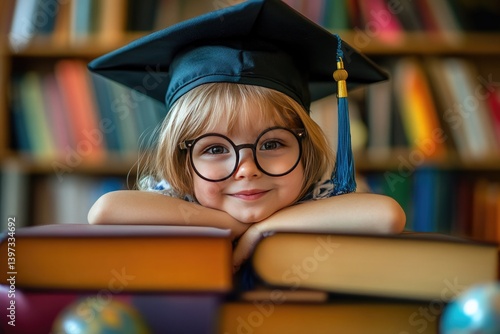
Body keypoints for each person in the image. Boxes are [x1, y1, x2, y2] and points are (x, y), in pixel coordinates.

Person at [87, 0, 406, 271]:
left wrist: (262, 230)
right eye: (214, 149)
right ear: (183, 160)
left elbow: (386, 215)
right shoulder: (176, 197)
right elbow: (105, 211)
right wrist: (230, 224)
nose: (247, 169)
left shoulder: (319, 192)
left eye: (271, 144)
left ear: (305, 148)